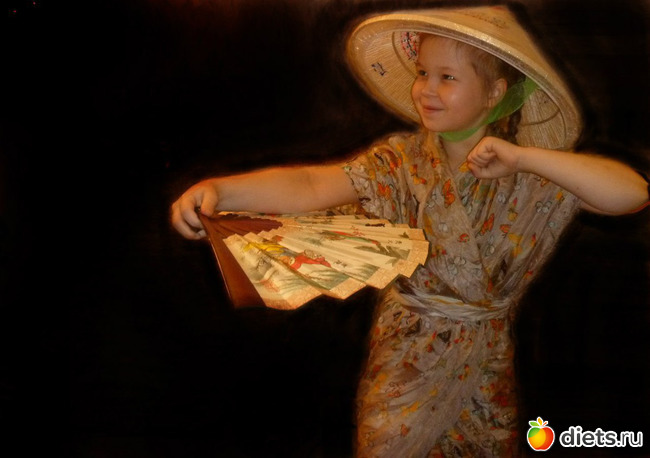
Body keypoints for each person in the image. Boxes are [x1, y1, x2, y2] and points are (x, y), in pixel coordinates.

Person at [170, 5, 649, 457]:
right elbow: (312, 183)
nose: (427, 89)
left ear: (495, 92)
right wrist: (221, 190)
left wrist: (523, 157)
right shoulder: (399, 162)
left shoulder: (534, 175)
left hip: (484, 366)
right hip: (405, 363)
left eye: (447, 77)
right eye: (422, 73)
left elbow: (633, 193)